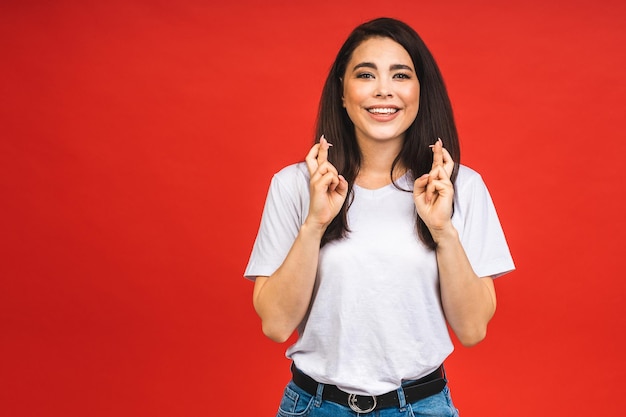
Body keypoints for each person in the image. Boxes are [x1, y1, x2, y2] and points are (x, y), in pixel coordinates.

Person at [244, 17, 514, 417]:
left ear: (421, 91)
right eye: (366, 74)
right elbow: (276, 325)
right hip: (315, 406)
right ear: (342, 92)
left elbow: (473, 330)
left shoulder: (460, 186)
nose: (383, 90)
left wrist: (443, 231)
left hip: (421, 406)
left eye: (400, 75)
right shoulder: (295, 185)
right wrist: (314, 225)